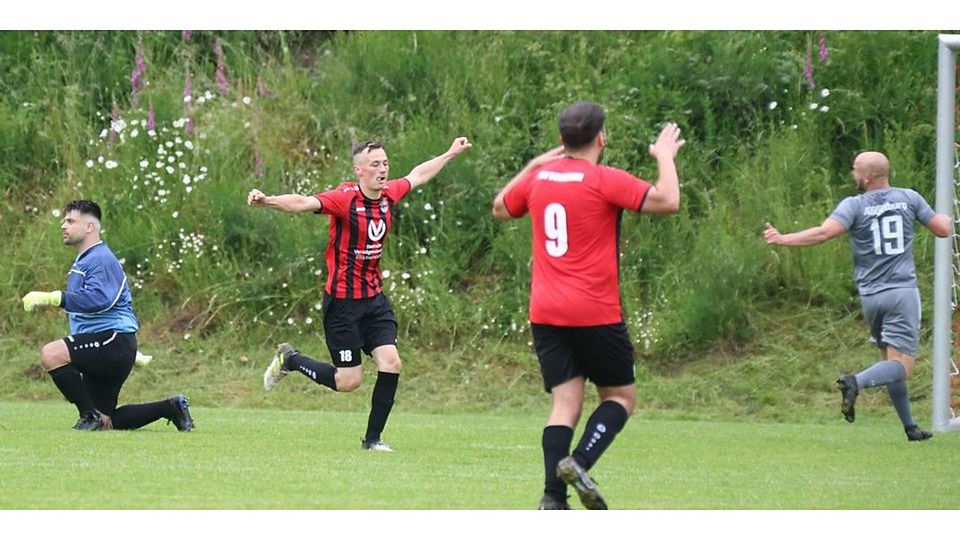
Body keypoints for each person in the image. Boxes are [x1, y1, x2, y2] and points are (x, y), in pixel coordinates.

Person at [492, 102, 684, 509]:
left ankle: (552, 499)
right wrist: (664, 156)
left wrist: (533, 163)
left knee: (565, 403)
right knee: (619, 398)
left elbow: (499, 207)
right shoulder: (603, 179)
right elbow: (668, 200)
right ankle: (578, 462)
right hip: (594, 311)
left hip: (545, 312)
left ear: (561, 140)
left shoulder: (538, 179)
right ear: (601, 138)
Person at [248, 136, 471, 452]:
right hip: (342, 305)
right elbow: (303, 202)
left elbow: (418, 174)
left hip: (374, 301)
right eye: (375, 165)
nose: (383, 170)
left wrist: (449, 152)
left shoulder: (389, 194)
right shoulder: (344, 199)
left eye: (385, 163)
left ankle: (372, 440)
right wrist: (266, 200)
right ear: (359, 170)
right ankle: (292, 359)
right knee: (348, 382)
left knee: (391, 362)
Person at [764, 151, 952, 442]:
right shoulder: (910, 198)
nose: (852, 174)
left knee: (889, 361)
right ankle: (856, 382)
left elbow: (823, 233)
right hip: (902, 292)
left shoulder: (853, 206)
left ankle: (910, 427)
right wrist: (946, 218)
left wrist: (783, 238)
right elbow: (942, 230)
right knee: (902, 367)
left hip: (871, 298)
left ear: (866, 177)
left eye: (854, 169)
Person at [21, 200, 193, 432]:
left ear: (90, 227)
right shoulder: (86, 259)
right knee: (106, 422)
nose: (63, 225)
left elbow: (101, 299)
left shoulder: (99, 258)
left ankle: (88, 414)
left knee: (51, 354)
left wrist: (54, 297)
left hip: (112, 340)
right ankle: (170, 407)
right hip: (113, 343)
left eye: (70, 221)